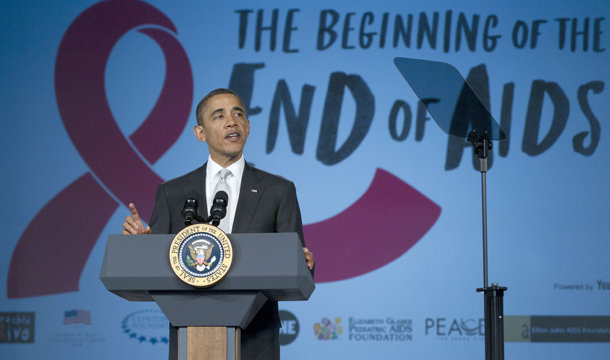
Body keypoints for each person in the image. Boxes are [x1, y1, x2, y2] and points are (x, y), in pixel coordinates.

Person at [122, 88, 314, 360]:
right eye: (219, 115)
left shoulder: (278, 190)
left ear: (247, 127)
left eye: (238, 114)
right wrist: (140, 248)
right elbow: (155, 264)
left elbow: (295, 263)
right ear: (200, 133)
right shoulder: (173, 193)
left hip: (256, 335)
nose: (231, 121)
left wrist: (304, 262)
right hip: (190, 333)